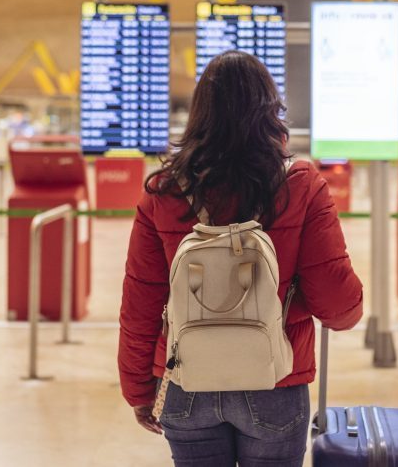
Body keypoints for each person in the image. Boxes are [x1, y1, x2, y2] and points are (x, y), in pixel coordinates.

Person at [118, 51, 364, 466]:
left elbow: (140, 302)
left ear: (200, 112)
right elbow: (338, 306)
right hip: (275, 379)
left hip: (185, 381)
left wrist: (138, 388)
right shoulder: (300, 185)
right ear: (269, 110)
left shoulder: (163, 189)